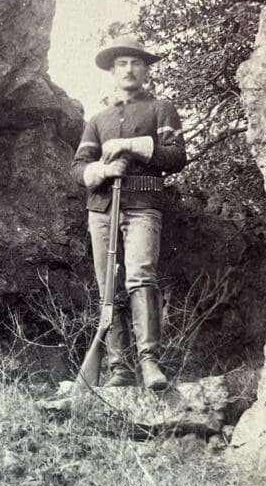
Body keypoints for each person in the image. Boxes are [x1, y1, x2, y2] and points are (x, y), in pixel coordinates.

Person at [70, 36, 187, 390]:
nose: (129, 69)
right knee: (109, 287)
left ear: (146, 69)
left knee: (140, 278)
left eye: (136, 62)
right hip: (102, 209)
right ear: (112, 71)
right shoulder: (98, 119)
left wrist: (130, 147)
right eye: (121, 63)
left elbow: (176, 156)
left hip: (142, 206)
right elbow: (78, 167)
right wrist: (104, 170)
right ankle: (119, 367)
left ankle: (149, 361)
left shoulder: (161, 109)